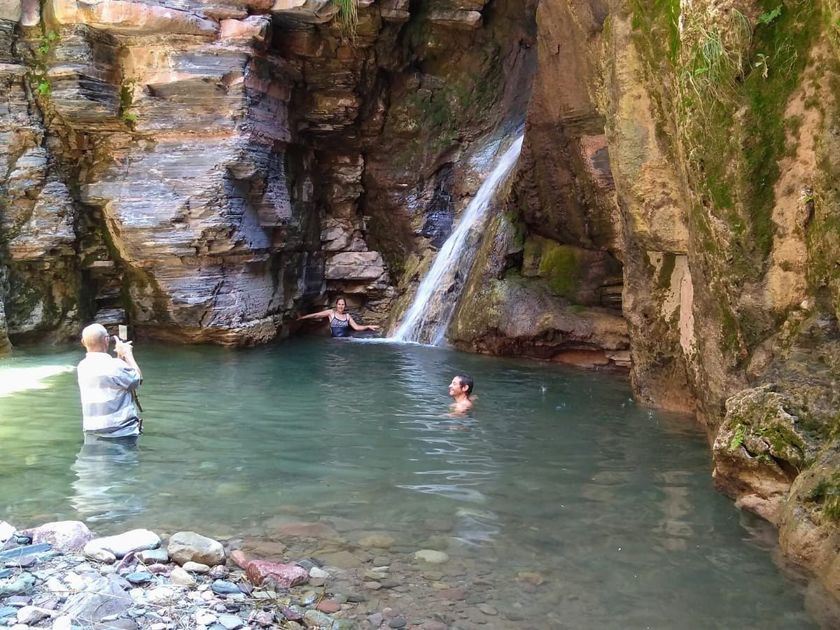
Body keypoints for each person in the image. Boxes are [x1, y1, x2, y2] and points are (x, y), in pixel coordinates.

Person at [77, 323, 143, 439]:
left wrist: (119, 358)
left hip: (92, 431)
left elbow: (113, 379)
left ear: (83, 342)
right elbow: (137, 379)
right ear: (106, 339)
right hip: (121, 431)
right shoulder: (116, 366)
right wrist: (128, 354)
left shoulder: (82, 366)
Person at [297, 297, 380, 337]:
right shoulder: (331, 313)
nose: (341, 306)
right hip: (335, 341)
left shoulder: (347, 316)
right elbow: (316, 315)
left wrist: (368, 326)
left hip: (346, 340)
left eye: (343, 304)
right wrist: (302, 317)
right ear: (336, 305)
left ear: (345, 306)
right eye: (339, 304)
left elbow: (357, 327)